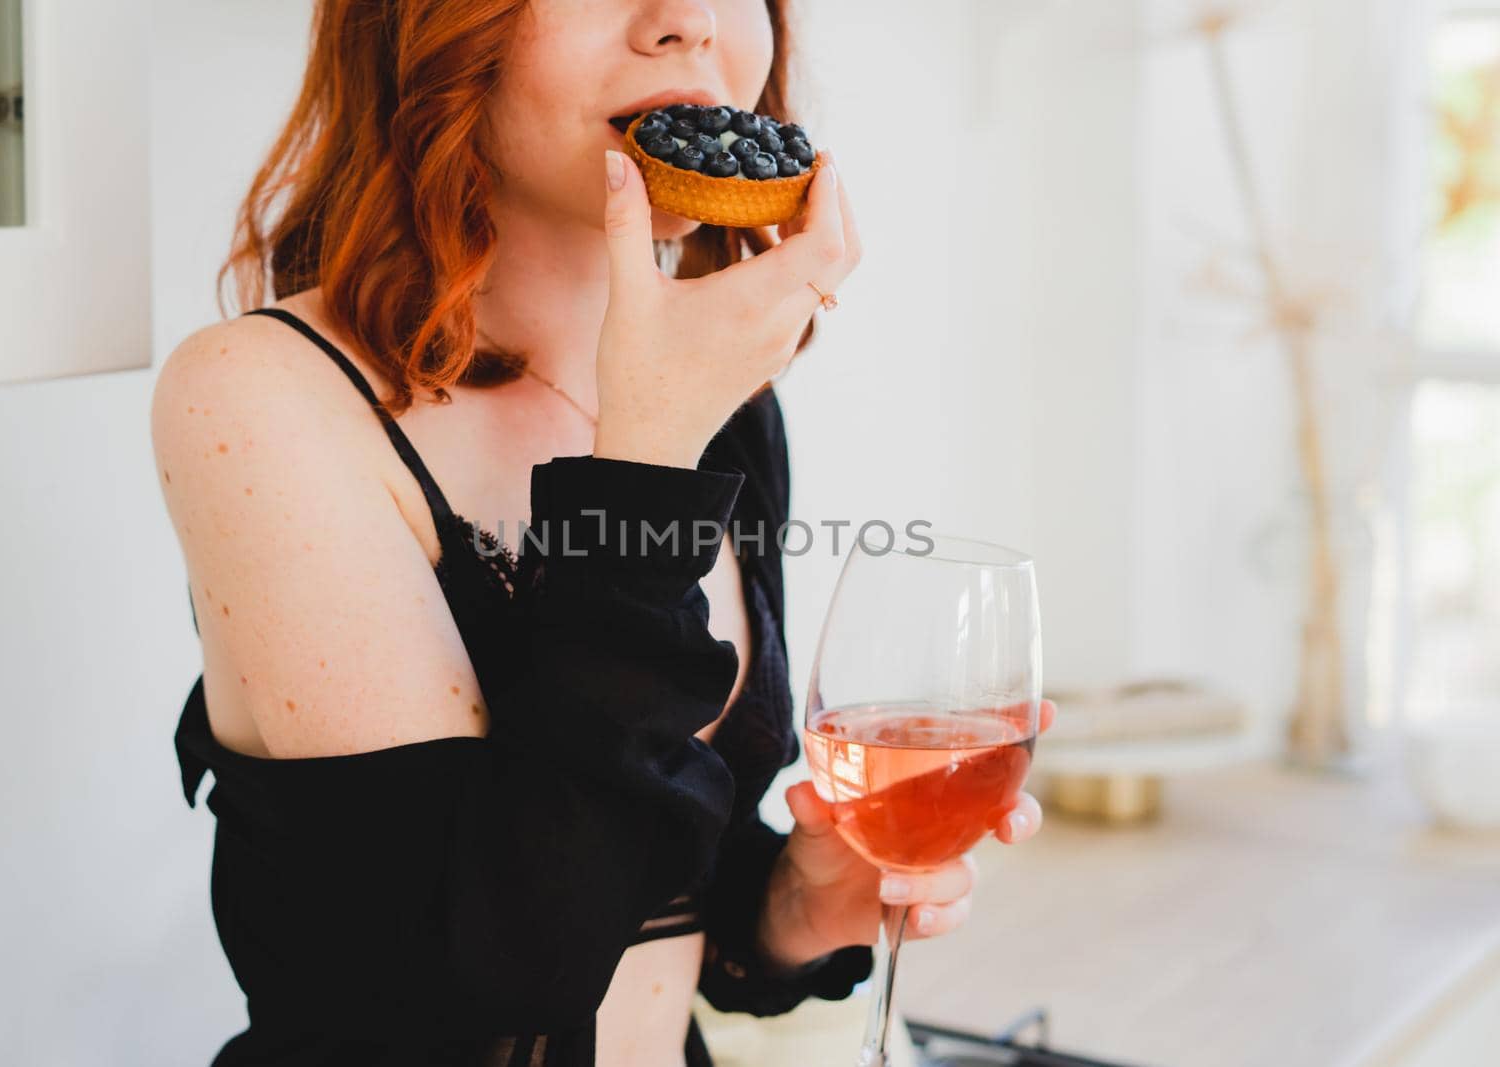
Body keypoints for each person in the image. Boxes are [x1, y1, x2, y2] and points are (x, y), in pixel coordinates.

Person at [151, 2, 1049, 1064]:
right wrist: (645, 460)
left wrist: (794, 907)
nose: (684, 20)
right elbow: (478, 975)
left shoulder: (724, 399)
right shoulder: (263, 394)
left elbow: (641, 871)